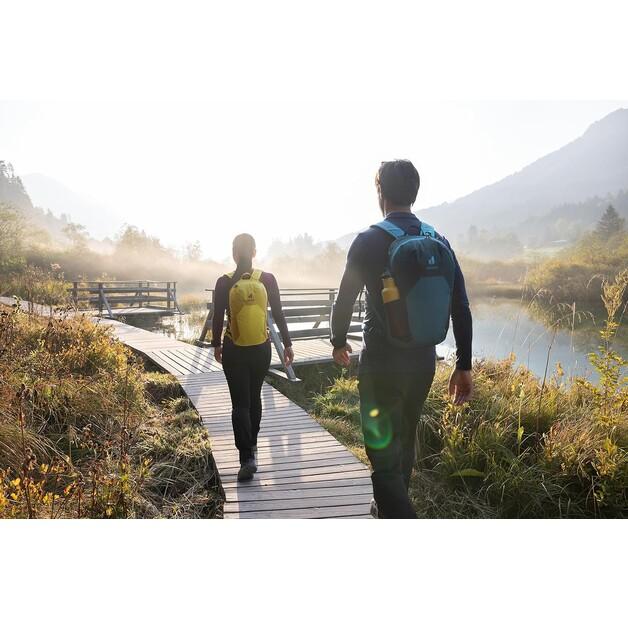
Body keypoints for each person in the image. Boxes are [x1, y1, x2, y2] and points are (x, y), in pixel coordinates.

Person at [331, 160, 473, 518]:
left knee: (382, 455)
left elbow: (344, 299)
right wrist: (464, 365)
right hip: (423, 362)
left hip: (382, 363)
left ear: (380, 192)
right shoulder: (437, 239)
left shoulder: (368, 241)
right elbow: (460, 305)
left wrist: (338, 340)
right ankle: (387, 507)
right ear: (415, 192)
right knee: (405, 439)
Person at [211, 233, 294, 482]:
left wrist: (216, 345)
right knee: (255, 397)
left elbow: (217, 317)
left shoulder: (223, 282)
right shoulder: (267, 279)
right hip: (261, 348)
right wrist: (287, 344)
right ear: (255, 252)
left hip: (234, 348)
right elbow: (278, 313)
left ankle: (246, 457)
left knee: (240, 403)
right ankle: (253, 444)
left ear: (234, 254)